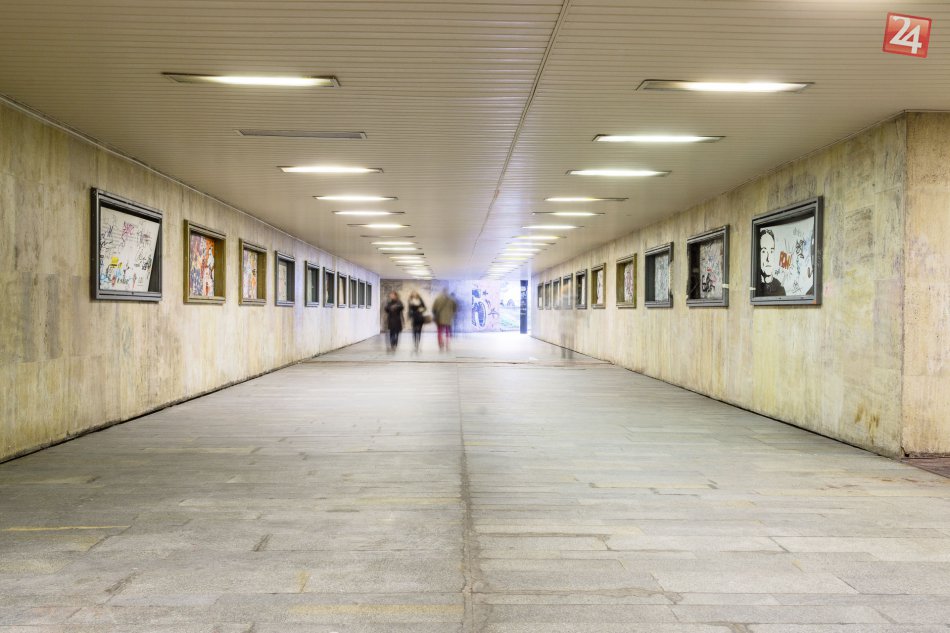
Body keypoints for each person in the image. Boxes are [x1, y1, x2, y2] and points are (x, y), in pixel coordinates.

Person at [758, 229, 786, 296]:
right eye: (764, 251)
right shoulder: (755, 287)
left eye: (771, 251)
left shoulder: (780, 288)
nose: (768, 258)